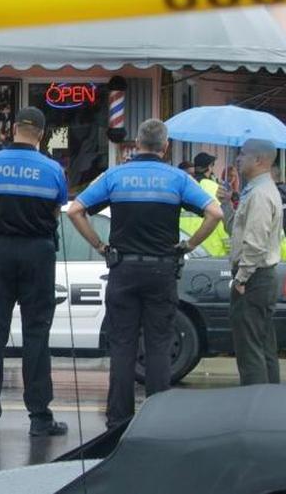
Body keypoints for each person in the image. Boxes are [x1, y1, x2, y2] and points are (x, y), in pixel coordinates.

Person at [69, 119, 222, 428]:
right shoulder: (177, 178)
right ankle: (157, 420)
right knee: (158, 345)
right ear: (165, 147)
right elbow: (215, 212)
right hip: (162, 270)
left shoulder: (115, 176)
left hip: (123, 269)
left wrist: (100, 245)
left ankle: (118, 420)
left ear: (136, 144)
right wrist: (189, 244)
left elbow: (75, 210)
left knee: (122, 345)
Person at [0, 107, 68, 438]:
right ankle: (40, 418)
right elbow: (56, 208)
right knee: (37, 335)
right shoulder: (53, 169)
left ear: (14, 128)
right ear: (41, 133)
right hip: (38, 254)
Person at [227, 139, 284, 386]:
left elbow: (255, 242)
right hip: (260, 276)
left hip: (254, 277)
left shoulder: (260, 194)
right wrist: (226, 203)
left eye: (243, 154)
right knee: (263, 344)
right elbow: (237, 229)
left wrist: (241, 278)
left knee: (249, 349)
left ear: (259, 160)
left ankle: (254, 400)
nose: (238, 159)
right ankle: (269, 399)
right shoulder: (257, 190)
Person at [179, 152, 233, 257]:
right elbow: (221, 219)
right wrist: (229, 248)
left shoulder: (186, 187)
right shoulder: (216, 189)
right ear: (209, 167)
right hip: (212, 252)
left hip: (185, 248)